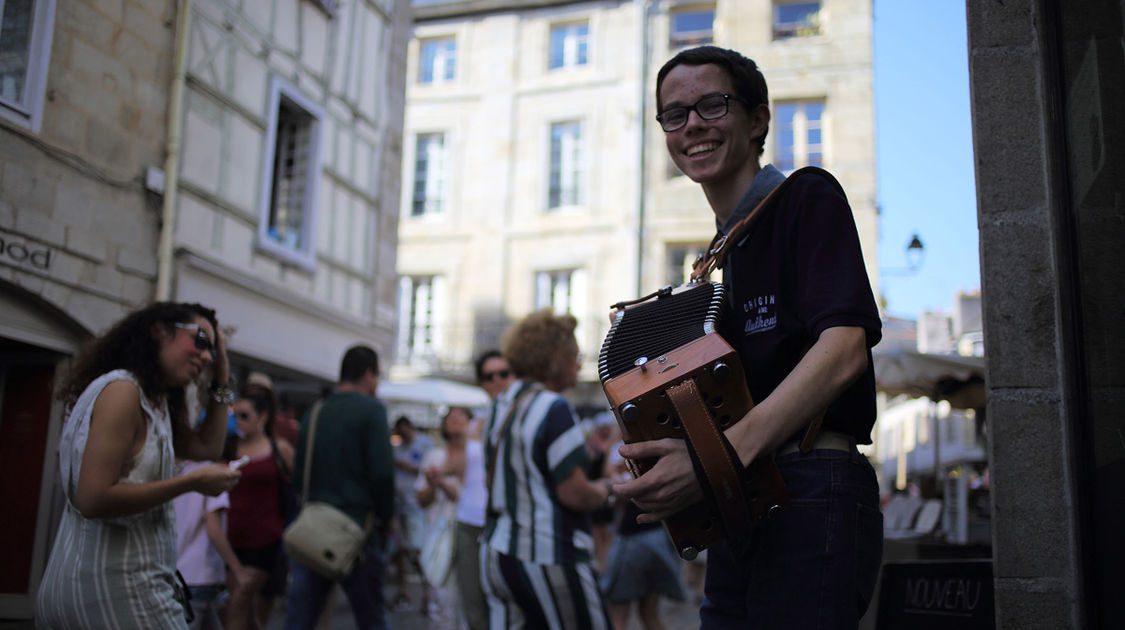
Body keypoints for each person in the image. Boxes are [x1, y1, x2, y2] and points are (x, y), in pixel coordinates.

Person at [612, 45, 884, 629]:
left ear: (758, 118)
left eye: (712, 105)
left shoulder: (806, 195)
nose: (692, 126)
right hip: (742, 495)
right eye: (674, 114)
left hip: (811, 485)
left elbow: (844, 351)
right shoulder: (716, 258)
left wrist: (715, 458)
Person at [36, 302, 241, 629]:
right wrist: (190, 483)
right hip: (118, 593)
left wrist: (223, 373)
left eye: (213, 351)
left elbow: (208, 447)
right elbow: (93, 497)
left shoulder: (152, 400)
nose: (206, 356)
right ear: (159, 330)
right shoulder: (123, 391)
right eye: (201, 340)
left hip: (97, 589)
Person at [481, 310, 613, 630]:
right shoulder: (554, 407)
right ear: (555, 358)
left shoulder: (499, 405)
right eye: (574, 355)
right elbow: (575, 493)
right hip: (549, 553)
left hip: (497, 554)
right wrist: (610, 490)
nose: (579, 364)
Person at [283, 346, 395, 630]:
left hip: (314, 527)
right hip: (358, 530)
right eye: (377, 376)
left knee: (301, 617)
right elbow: (382, 474)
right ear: (368, 374)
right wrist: (388, 516)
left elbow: (298, 473)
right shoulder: (372, 410)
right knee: (371, 616)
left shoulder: (317, 410)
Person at [224, 389, 294, 630]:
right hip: (229, 538)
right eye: (234, 416)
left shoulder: (279, 449)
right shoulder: (227, 447)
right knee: (243, 608)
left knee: (240, 599)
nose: (238, 421)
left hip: (265, 539)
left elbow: (295, 487)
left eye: (244, 415)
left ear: (262, 417)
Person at [453, 350, 512, 630]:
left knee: (507, 604)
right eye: (490, 376)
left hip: (503, 523)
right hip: (468, 521)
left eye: (504, 373)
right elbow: (463, 472)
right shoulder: (474, 424)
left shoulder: (518, 418)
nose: (498, 380)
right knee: (473, 606)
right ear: (482, 383)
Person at [598, 441, 685, 630]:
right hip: (657, 540)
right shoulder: (654, 443)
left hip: (631, 543)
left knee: (617, 617)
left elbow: (611, 487)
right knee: (649, 615)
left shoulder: (620, 450)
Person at [415, 406, 472, 627]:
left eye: (462, 415)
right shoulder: (434, 456)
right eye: (451, 416)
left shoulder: (476, 456)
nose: (456, 419)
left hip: (472, 534)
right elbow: (421, 499)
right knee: (442, 598)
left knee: (470, 601)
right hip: (440, 535)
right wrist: (434, 484)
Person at [173, 458, 246, 630]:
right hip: (200, 573)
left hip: (178, 573)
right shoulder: (214, 476)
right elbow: (214, 530)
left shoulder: (172, 471)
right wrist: (237, 569)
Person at [389, 415, 432, 611]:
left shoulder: (425, 445)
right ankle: (404, 592)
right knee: (400, 551)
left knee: (418, 550)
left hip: (417, 506)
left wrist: (412, 468)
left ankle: (427, 593)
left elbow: (432, 471)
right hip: (399, 505)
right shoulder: (395, 449)